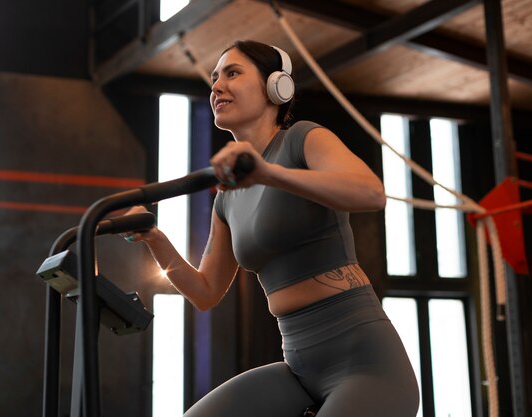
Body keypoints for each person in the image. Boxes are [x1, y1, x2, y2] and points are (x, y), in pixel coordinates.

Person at [125, 40, 419, 417]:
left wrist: (268, 173)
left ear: (276, 87)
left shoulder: (303, 140)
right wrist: (155, 238)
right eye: (214, 78)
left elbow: (371, 193)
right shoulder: (227, 197)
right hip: (298, 364)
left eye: (232, 73)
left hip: (365, 361)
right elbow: (206, 292)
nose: (217, 86)